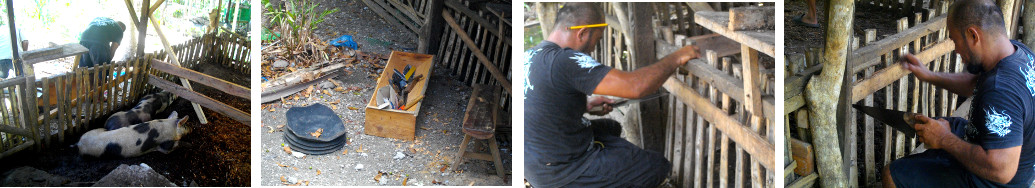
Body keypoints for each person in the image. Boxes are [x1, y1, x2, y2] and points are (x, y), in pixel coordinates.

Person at [523, 2, 699, 187]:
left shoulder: (530, 55)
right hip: (560, 171)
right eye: (597, 40)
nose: (592, 49)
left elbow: (539, 102)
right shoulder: (565, 60)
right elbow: (636, 86)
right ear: (582, 33)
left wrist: (586, 105)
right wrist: (677, 57)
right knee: (657, 166)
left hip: (535, 164)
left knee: (611, 127)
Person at [885, 0, 1035, 187]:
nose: (956, 50)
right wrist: (929, 75)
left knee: (892, 175)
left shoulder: (1000, 90)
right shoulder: (1017, 53)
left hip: (995, 180)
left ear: (973, 35)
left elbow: (1001, 170)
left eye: (955, 41)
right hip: (1011, 157)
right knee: (941, 125)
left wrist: (944, 139)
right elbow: (976, 84)